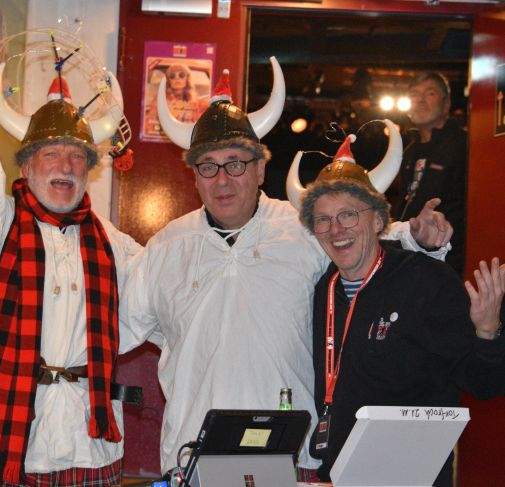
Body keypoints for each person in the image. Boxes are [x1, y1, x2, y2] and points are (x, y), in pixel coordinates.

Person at [120, 60, 453, 480]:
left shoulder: (302, 228)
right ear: (194, 176)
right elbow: (113, 329)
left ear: (260, 168)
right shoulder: (166, 248)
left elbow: (368, 238)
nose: (222, 180)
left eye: (236, 163)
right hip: (193, 456)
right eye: (208, 165)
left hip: (287, 454)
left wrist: (420, 238)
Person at [0, 28, 141, 486]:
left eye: (77, 157)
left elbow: (167, 295)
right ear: (25, 166)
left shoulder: (114, 245)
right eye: (51, 154)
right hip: (6, 448)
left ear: (90, 170)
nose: (65, 167)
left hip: (89, 447)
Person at [295, 137, 505, 486]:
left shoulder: (426, 281)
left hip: (412, 477)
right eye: (323, 220)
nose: (336, 230)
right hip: (340, 476)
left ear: (379, 220)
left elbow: (484, 385)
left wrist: (487, 331)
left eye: (348, 214)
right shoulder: (323, 290)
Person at [393, 71, 467, 277]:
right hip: (409, 258)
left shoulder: (464, 145)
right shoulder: (410, 151)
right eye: (415, 94)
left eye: (430, 93)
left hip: (449, 261)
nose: (420, 100)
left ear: (446, 104)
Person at [144, 63, 208, 137]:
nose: (177, 78)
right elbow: (150, 122)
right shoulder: (159, 100)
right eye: (172, 76)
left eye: (181, 75)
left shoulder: (199, 103)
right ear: (169, 81)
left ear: (187, 78)